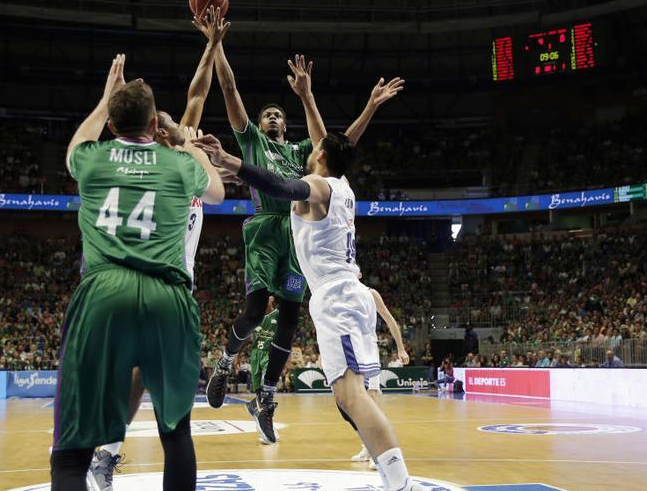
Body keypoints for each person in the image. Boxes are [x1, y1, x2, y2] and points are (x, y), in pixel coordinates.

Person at [196, 131, 429, 490]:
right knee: (347, 397)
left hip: (336, 296)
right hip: (346, 294)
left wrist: (230, 161)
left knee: (353, 396)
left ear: (320, 154)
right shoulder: (344, 186)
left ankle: (400, 483)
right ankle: (391, 477)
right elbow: (323, 151)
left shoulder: (318, 186)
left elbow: (280, 185)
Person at [205, 41, 404, 445]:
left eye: (279, 113)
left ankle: (266, 395)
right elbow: (229, 90)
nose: (275, 117)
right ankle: (226, 361)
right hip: (264, 229)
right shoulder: (253, 144)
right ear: (260, 125)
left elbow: (339, 146)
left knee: (292, 319)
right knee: (257, 311)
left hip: (297, 237)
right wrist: (218, 44)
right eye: (268, 115)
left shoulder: (303, 154)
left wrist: (369, 108)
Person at [50, 55, 224, 491]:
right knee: (168, 420)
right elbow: (218, 188)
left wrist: (210, 47)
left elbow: (198, 94)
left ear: (113, 124)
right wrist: (187, 142)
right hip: (167, 291)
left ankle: (101, 454)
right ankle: (108, 453)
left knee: (81, 434)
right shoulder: (182, 165)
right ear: (156, 126)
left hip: (111, 287)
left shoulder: (100, 158)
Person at [350, 286, 410, 470]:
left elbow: (390, 320)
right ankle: (367, 447)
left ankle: (379, 452)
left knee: (372, 398)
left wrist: (400, 347)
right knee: (356, 404)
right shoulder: (342, 292)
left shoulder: (370, 293)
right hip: (351, 347)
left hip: (368, 347)